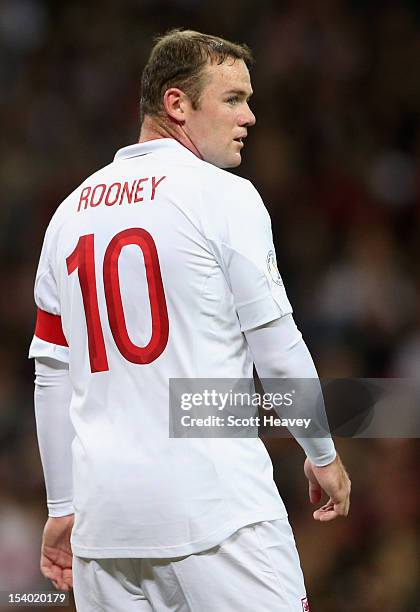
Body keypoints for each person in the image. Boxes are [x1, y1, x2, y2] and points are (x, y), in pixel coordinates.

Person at [30, 29, 351, 611]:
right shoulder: (222, 195)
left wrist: (61, 507)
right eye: (232, 99)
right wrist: (322, 453)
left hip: (105, 532)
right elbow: (277, 348)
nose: (249, 116)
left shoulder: (67, 213)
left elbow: (51, 374)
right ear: (177, 104)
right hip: (217, 516)